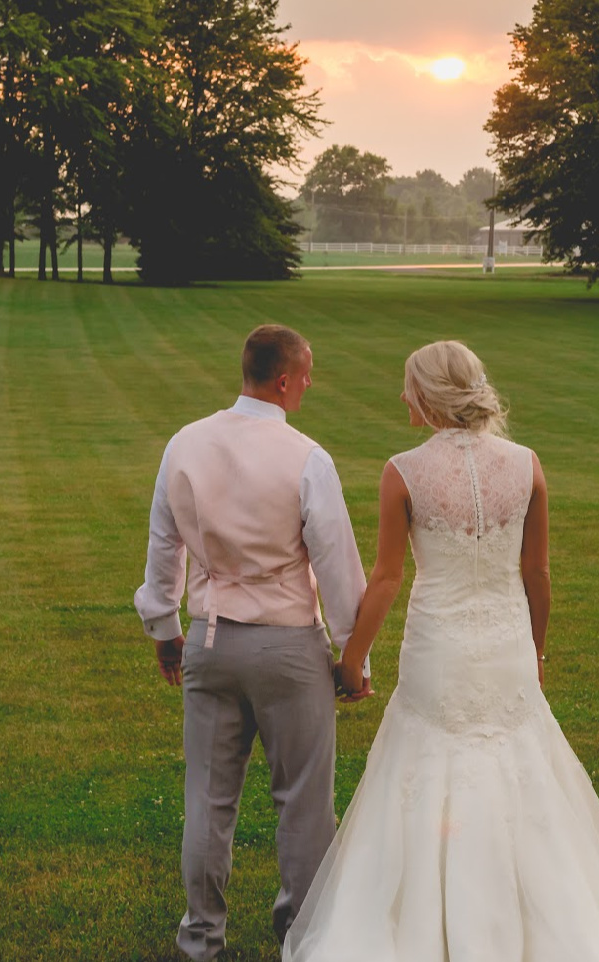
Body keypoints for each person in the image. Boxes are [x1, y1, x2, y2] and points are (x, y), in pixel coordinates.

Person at [282, 341, 599, 961]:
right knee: (521, 771)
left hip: (438, 646)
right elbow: (538, 574)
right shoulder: (526, 464)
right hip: (506, 644)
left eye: (408, 385)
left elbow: (387, 577)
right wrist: (537, 650)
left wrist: (353, 655)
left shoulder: (403, 471)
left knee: (425, 765)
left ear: (429, 395)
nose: (401, 396)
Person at [134, 324, 371, 961]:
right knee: (303, 801)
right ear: (286, 379)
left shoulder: (184, 444)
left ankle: (202, 937)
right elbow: (339, 567)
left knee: (207, 800)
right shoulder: (306, 458)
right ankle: (303, 936)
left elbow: (164, 547)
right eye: (308, 374)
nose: (311, 384)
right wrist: (354, 657)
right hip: (289, 647)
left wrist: (164, 627)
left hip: (209, 642)